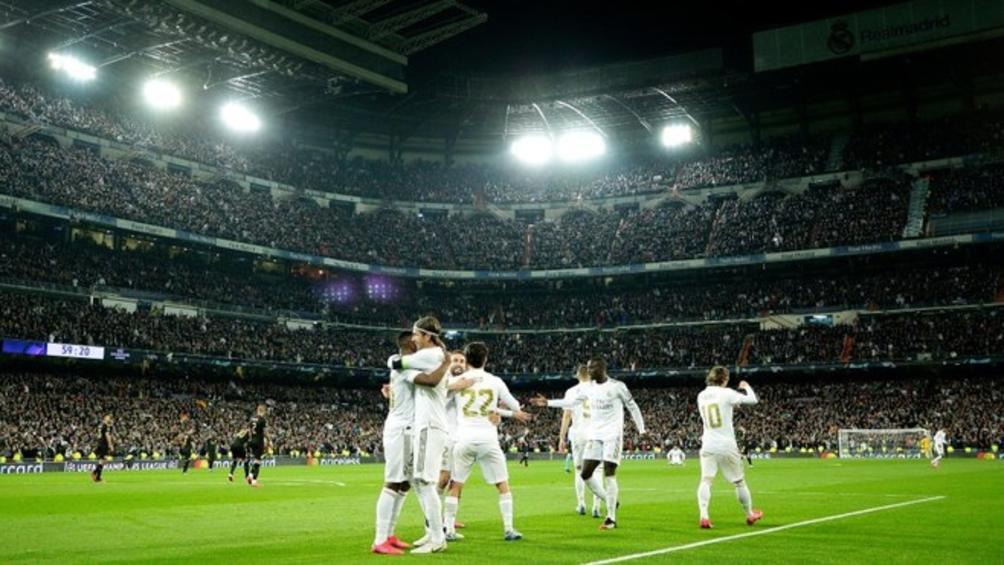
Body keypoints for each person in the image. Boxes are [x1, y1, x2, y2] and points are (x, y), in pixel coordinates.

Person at [533, 356, 646, 530]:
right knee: (585, 473)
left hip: (612, 435)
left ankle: (611, 518)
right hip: (595, 435)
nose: (590, 371)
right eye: (588, 368)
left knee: (609, 472)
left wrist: (642, 430)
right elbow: (571, 403)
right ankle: (611, 500)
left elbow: (633, 406)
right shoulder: (589, 389)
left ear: (602, 368)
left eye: (592, 368)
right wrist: (548, 402)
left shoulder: (617, 387)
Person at [442, 342, 531, 542]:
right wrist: (496, 406)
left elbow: (441, 400)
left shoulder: (458, 381)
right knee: (502, 484)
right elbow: (515, 405)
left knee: (455, 484)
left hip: (463, 438)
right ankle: (508, 529)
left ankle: (448, 529)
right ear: (485, 360)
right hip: (488, 439)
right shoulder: (495, 381)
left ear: (467, 359)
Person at [387, 316, 459, 554]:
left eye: (417, 334)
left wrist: (395, 362)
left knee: (425, 482)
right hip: (427, 424)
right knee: (420, 481)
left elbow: (395, 363)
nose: (414, 339)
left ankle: (438, 538)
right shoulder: (435, 355)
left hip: (429, 425)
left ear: (427, 336)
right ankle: (432, 533)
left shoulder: (430, 355)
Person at [372, 331, 448, 555]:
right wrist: (446, 363)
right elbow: (431, 381)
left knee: (404, 484)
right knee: (393, 482)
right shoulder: (405, 367)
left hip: (406, 427)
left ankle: (389, 534)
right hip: (402, 429)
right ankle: (379, 539)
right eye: (416, 343)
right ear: (410, 347)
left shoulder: (402, 367)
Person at [695, 366, 763, 529]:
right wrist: (746, 387)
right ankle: (749, 514)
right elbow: (753, 400)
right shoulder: (727, 393)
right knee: (739, 482)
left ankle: (704, 516)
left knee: (706, 480)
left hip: (708, 443)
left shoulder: (701, 395)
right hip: (726, 444)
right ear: (724, 379)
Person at [557, 365, 602, 517]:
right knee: (597, 470)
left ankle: (581, 504)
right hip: (596, 433)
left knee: (579, 470)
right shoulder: (599, 389)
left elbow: (567, 416)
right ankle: (596, 507)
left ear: (577, 375)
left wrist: (561, 438)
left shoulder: (571, 392)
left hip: (579, 434)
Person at [247, 404, 268, 487]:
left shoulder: (251, 419)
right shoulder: (262, 420)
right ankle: (252, 479)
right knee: (258, 462)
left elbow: (249, 431)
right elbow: (265, 432)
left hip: (252, 441)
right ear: (263, 411)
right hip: (259, 441)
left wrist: (250, 440)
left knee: (257, 460)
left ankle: (252, 478)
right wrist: (269, 440)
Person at [91, 414, 113, 483]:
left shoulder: (100, 425)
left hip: (100, 443)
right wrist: (110, 444)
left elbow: (97, 434)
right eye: (108, 417)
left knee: (102, 461)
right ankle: (96, 474)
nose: (110, 419)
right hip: (104, 444)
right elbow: (107, 435)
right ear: (105, 418)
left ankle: (97, 476)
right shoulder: (105, 426)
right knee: (104, 460)